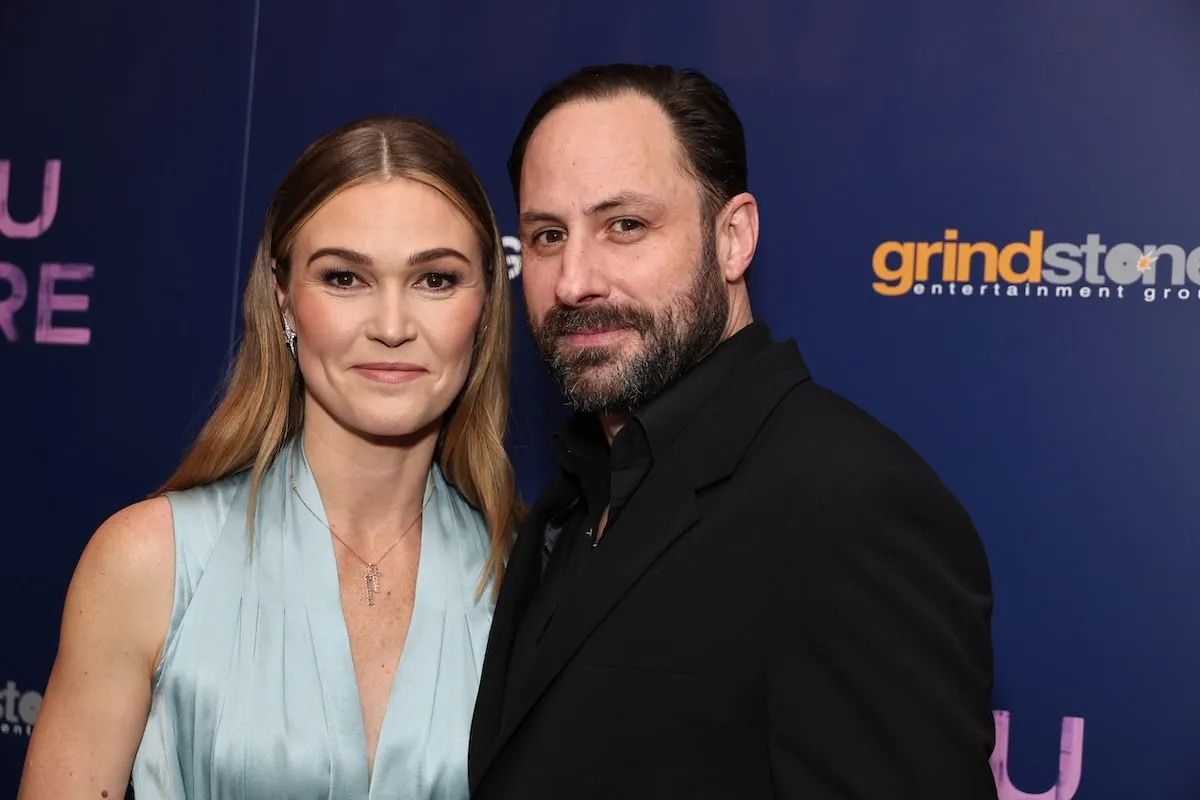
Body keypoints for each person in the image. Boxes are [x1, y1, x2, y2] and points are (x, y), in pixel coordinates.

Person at [468, 64, 999, 799]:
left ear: (734, 238)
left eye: (625, 226)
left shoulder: (853, 508)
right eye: (548, 235)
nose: (573, 280)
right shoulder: (571, 495)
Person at [18, 115, 520, 800]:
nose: (393, 326)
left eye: (435, 279)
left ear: (485, 306)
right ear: (284, 301)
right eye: (345, 278)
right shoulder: (151, 563)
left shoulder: (529, 577)